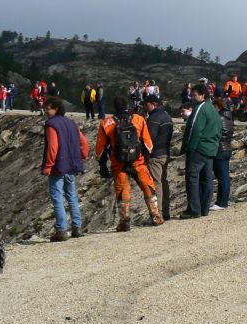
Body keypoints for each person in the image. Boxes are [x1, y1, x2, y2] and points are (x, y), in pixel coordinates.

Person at [96, 96, 163, 231]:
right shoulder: (139, 119)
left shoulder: (106, 123)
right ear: (127, 105)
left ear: (114, 107)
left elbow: (100, 149)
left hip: (119, 163)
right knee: (148, 187)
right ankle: (156, 216)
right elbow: (148, 144)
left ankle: (124, 222)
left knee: (123, 191)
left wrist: (102, 165)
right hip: (138, 162)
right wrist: (146, 158)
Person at [41, 97, 89, 242]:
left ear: (55, 108)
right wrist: (82, 156)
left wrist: (48, 165)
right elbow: (84, 143)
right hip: (72, 165)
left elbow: (53, 147)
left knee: (57, 197)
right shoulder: (71, 123)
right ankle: (77, 227)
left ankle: (61, 230)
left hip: (58, 167)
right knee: (72, 195)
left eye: (47, 108)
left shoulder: (51, 125)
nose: (45, 111)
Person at [180, 84, 222, 218]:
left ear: (203, 95)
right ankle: (204, 209)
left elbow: (194, 129)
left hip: (198, 148)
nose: (192, 97)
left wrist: (188, 147)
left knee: (192, 177)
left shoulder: (200, 108)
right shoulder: (213, 109)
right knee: (207, 179)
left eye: (194, 95)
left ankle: (194, 209)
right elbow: (219, 129)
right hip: (210, 149)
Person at [143, 94, 174, 219]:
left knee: (156, 184)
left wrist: (144, 153)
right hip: (165, 153)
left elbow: (150, 138)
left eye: (146, 104)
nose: (145, 107)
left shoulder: (154, 118)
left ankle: (158, 213)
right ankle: (165, 211)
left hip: (155, 155)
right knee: (164, 182)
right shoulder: (167, 116)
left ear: (153, 104)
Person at [210, 98, 233, 210]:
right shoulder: (229, 116)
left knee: (222, 177)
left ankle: (222, 202)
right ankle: (223, 201)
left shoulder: (218, 117)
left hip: (219, 149)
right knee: (224, 177)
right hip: (227, 148)